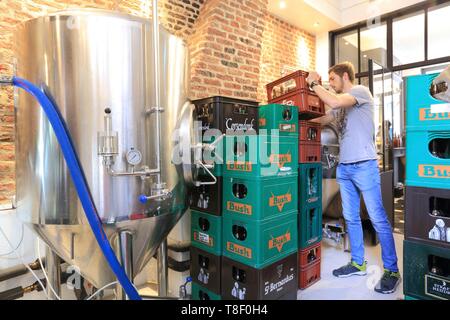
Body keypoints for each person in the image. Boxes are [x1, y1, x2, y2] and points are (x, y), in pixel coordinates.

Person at [306, 62, 401, 294]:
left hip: (364, 166)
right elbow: (323, 119)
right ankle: (358, 262)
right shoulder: (338, 105)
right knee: (351, 217)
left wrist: (313, 83)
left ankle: (392, 271)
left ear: (345, 76)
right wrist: (298, 117)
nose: (330, 83)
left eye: (332, 79)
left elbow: (336, 100)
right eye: (327, 80)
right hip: (345, 168)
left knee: (377, 218)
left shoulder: (359, 92)